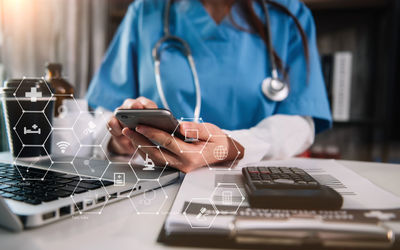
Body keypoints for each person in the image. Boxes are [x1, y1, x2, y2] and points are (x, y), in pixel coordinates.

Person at [86, 0, 331, 173]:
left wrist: (233, 146)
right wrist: (120, 140)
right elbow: (101, 114)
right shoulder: (145, 12)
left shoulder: (289, 15)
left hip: (252, 182)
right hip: (156, 185)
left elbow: (300, 122)